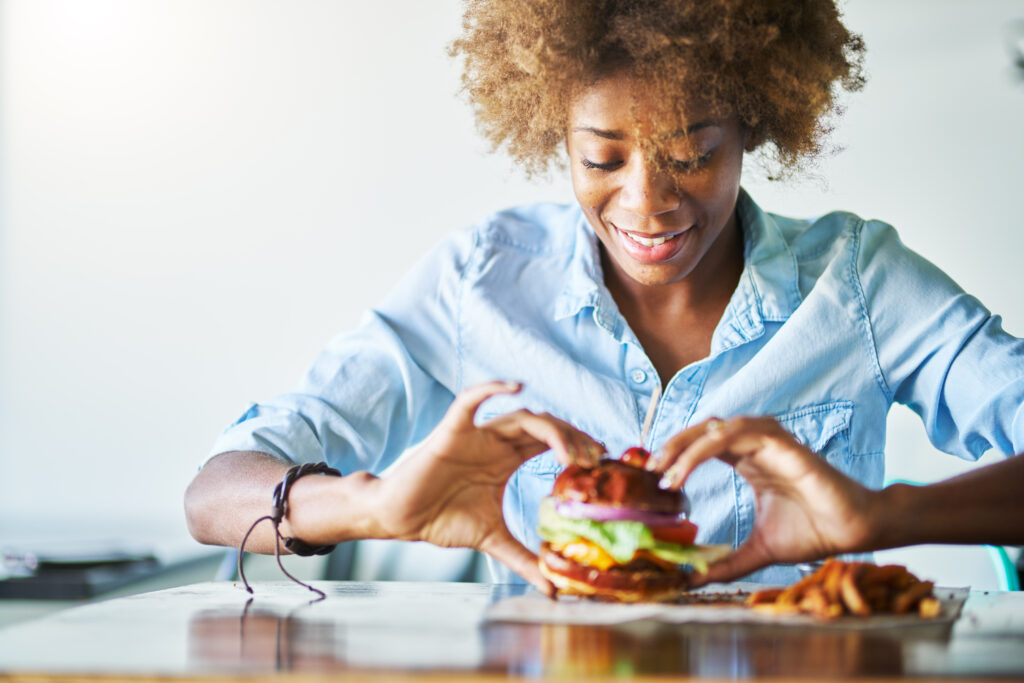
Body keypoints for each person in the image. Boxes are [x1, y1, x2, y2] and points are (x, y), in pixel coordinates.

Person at [185, 0, 1024, 594]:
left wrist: (882, 516)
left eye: (691, 152)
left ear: (755, 125)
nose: (648, 202)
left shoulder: (858, 282)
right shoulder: (484, 280)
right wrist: (370, 505)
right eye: (603, 159)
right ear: (555, 130)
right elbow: (214, 490)